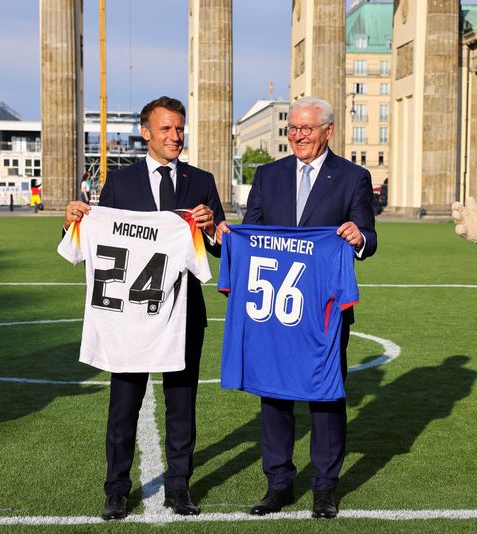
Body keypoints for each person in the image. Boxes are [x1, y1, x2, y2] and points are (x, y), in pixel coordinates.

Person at [64, 96, 225, 520]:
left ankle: (179, 487)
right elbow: (98, 241)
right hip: (130, 316)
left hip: (183, 312)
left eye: (180, 128)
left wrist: (212, 230)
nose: (176, 136)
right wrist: (73, 221)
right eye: (167, 129)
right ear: (146, 132)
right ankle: (116, 489)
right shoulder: (121, 184)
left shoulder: (202, 181)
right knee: (123, 404)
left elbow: (221, 245)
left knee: (181, 404)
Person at [217, 96, 377, 519]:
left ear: (328, 130)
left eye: (306, 129)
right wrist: (228, 236)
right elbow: (252, 232)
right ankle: (279, 484)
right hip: (274, 310)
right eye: (292, 128)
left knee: (325, 397)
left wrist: (357, 237)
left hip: (323, 311)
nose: (298, 136)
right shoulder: (268, 176)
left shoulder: (353, 177)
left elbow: (369, 234)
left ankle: (325, 486)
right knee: (274, 396)